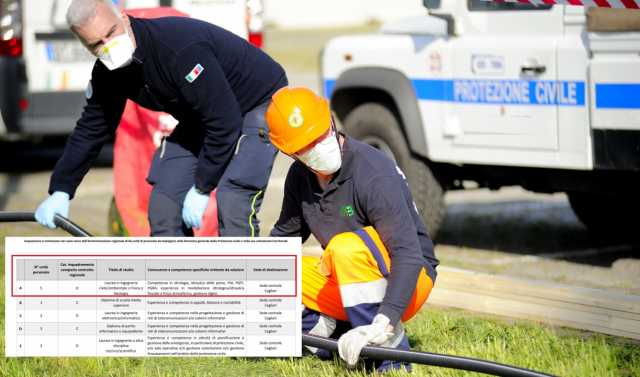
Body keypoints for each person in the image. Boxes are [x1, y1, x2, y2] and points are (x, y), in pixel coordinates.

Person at [34, 0, 287, 236]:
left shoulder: (177, 50)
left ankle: (244, 280)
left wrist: (202, 187)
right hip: (205, 113)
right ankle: (177, 281)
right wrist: (62, 189)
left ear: (123, 17)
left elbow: (225, 122)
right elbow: (91, 129)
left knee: (233, 198)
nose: (107, 45)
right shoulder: (108, 74)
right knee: (164, 204)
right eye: (96, 44)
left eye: (110, 33)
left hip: (258, 101)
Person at [267, 87, 439, 372]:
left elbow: (408, 255)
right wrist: (241, 278)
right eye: (307, 144)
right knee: (282, 271)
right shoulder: (300, 178)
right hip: (350, 281)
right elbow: (283, 240)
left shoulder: (373, 174)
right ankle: (333, 337)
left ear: (331, 121)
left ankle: (388, 356)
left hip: (408, 279)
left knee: (345, 248)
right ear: (291, 152)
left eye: (322, 133)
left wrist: (385, 321)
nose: (320, 145)